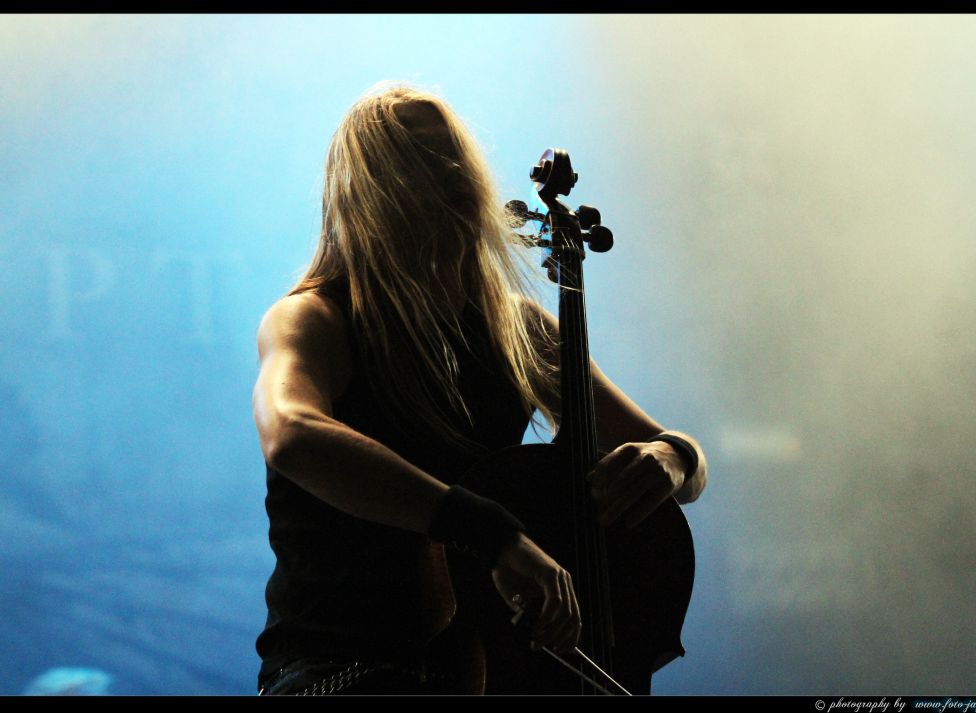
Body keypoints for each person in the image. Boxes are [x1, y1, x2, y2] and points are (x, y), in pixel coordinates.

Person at [252, 84, 708, 695]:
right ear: (373, 189)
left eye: (454, 154)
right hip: (340, 672)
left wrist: (671, 458)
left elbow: (683, 465)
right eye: (419, 156)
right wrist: (492, 533)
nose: (450, 173)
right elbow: (292, 436)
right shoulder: (315, 318)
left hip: (479, 670)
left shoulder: (515, 328)